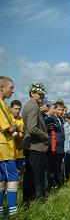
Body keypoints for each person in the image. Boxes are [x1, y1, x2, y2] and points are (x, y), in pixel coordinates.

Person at [21, 82, 49, 202]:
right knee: (37, 174)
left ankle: (28, 199)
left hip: (32, 145)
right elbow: (32, 128)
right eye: (39, 93)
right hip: (36, 146)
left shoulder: (30, 105)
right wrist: (45, 135)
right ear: (32, 94)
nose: (42, 96)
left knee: (30, 174)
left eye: (42, 93)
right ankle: (38, 199)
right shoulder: (33, 106)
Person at [0, 77, 19, 217]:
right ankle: (13, 213)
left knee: (1, 180)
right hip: (3, 146)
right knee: (13, 178)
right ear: (2, 87)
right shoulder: (1, 105)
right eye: (11, 87)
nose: (13, 90)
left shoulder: (4, 104)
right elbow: (10, 127)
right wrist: (15, 126)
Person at [10, 100, 25, 182]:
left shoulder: (22, 120)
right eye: (15, 109)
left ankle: (18, 189)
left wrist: (22, 131)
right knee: (10, 172)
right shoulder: (9, 118)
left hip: (20, 151)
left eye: (19, 109)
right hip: (10, 151)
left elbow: (24, 133)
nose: (17, 111)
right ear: (11, 108)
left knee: (20, 171)